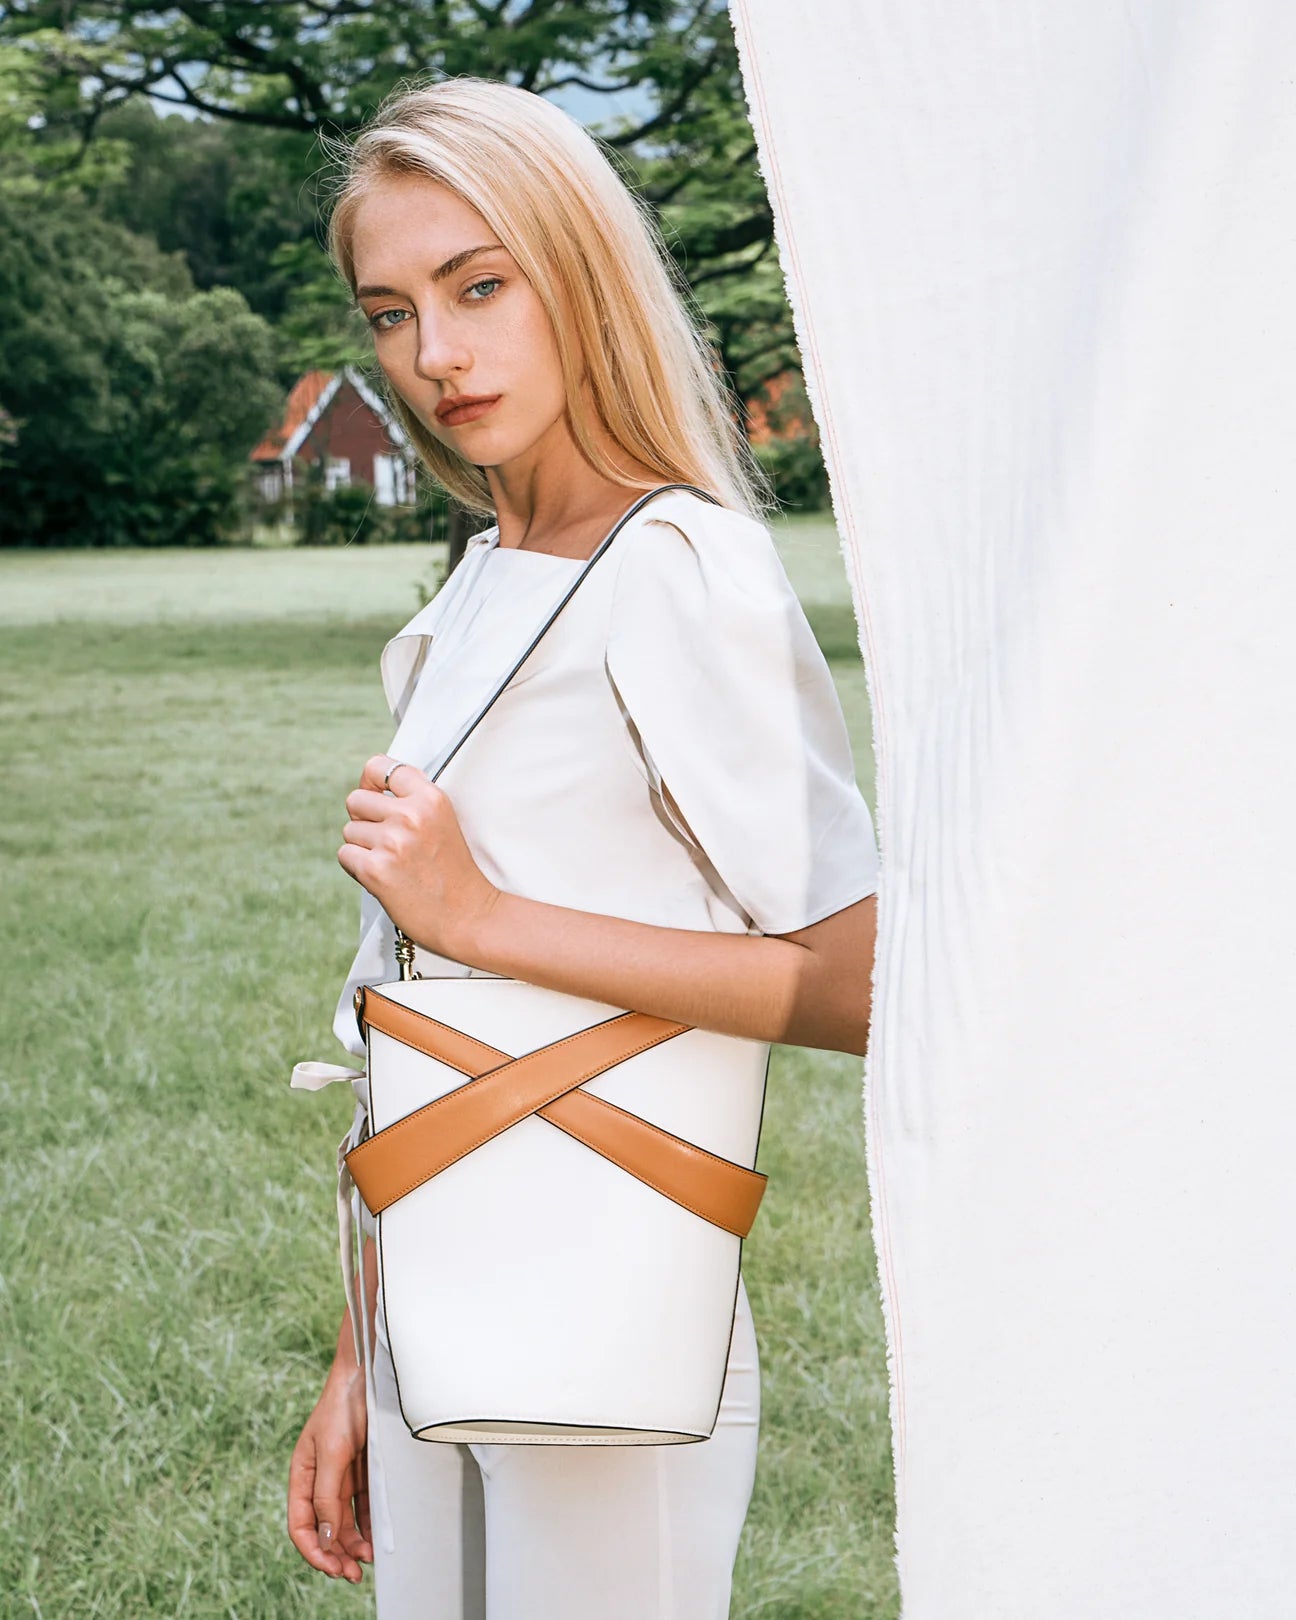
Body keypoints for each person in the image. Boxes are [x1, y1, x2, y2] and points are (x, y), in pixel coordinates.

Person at [285, 74, 880, 1620]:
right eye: (392, 312)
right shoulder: (490, 572)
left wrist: (484, 916)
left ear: (581, 271)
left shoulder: (680, 568)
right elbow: (409, 1005)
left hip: (607, 1293)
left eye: (479, 285)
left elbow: (863, 984)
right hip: (441, 1291)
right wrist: (364, 1352)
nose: (436, 353)